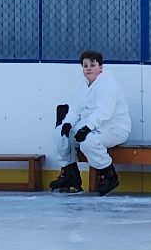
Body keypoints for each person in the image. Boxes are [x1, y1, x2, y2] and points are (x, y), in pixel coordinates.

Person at [49, 49, 131, 196]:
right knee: (60, 134)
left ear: (100, 67)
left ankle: (109, 175)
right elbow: (76, 109)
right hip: (91, 126)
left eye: (92, 65)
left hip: (114, 128)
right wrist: (68, 123)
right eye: (85, 65)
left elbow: (104, 112)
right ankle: (71, 175)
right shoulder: (83, 85)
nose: (88, 68)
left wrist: (87, 129)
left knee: (88, 142)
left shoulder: (108, 84)